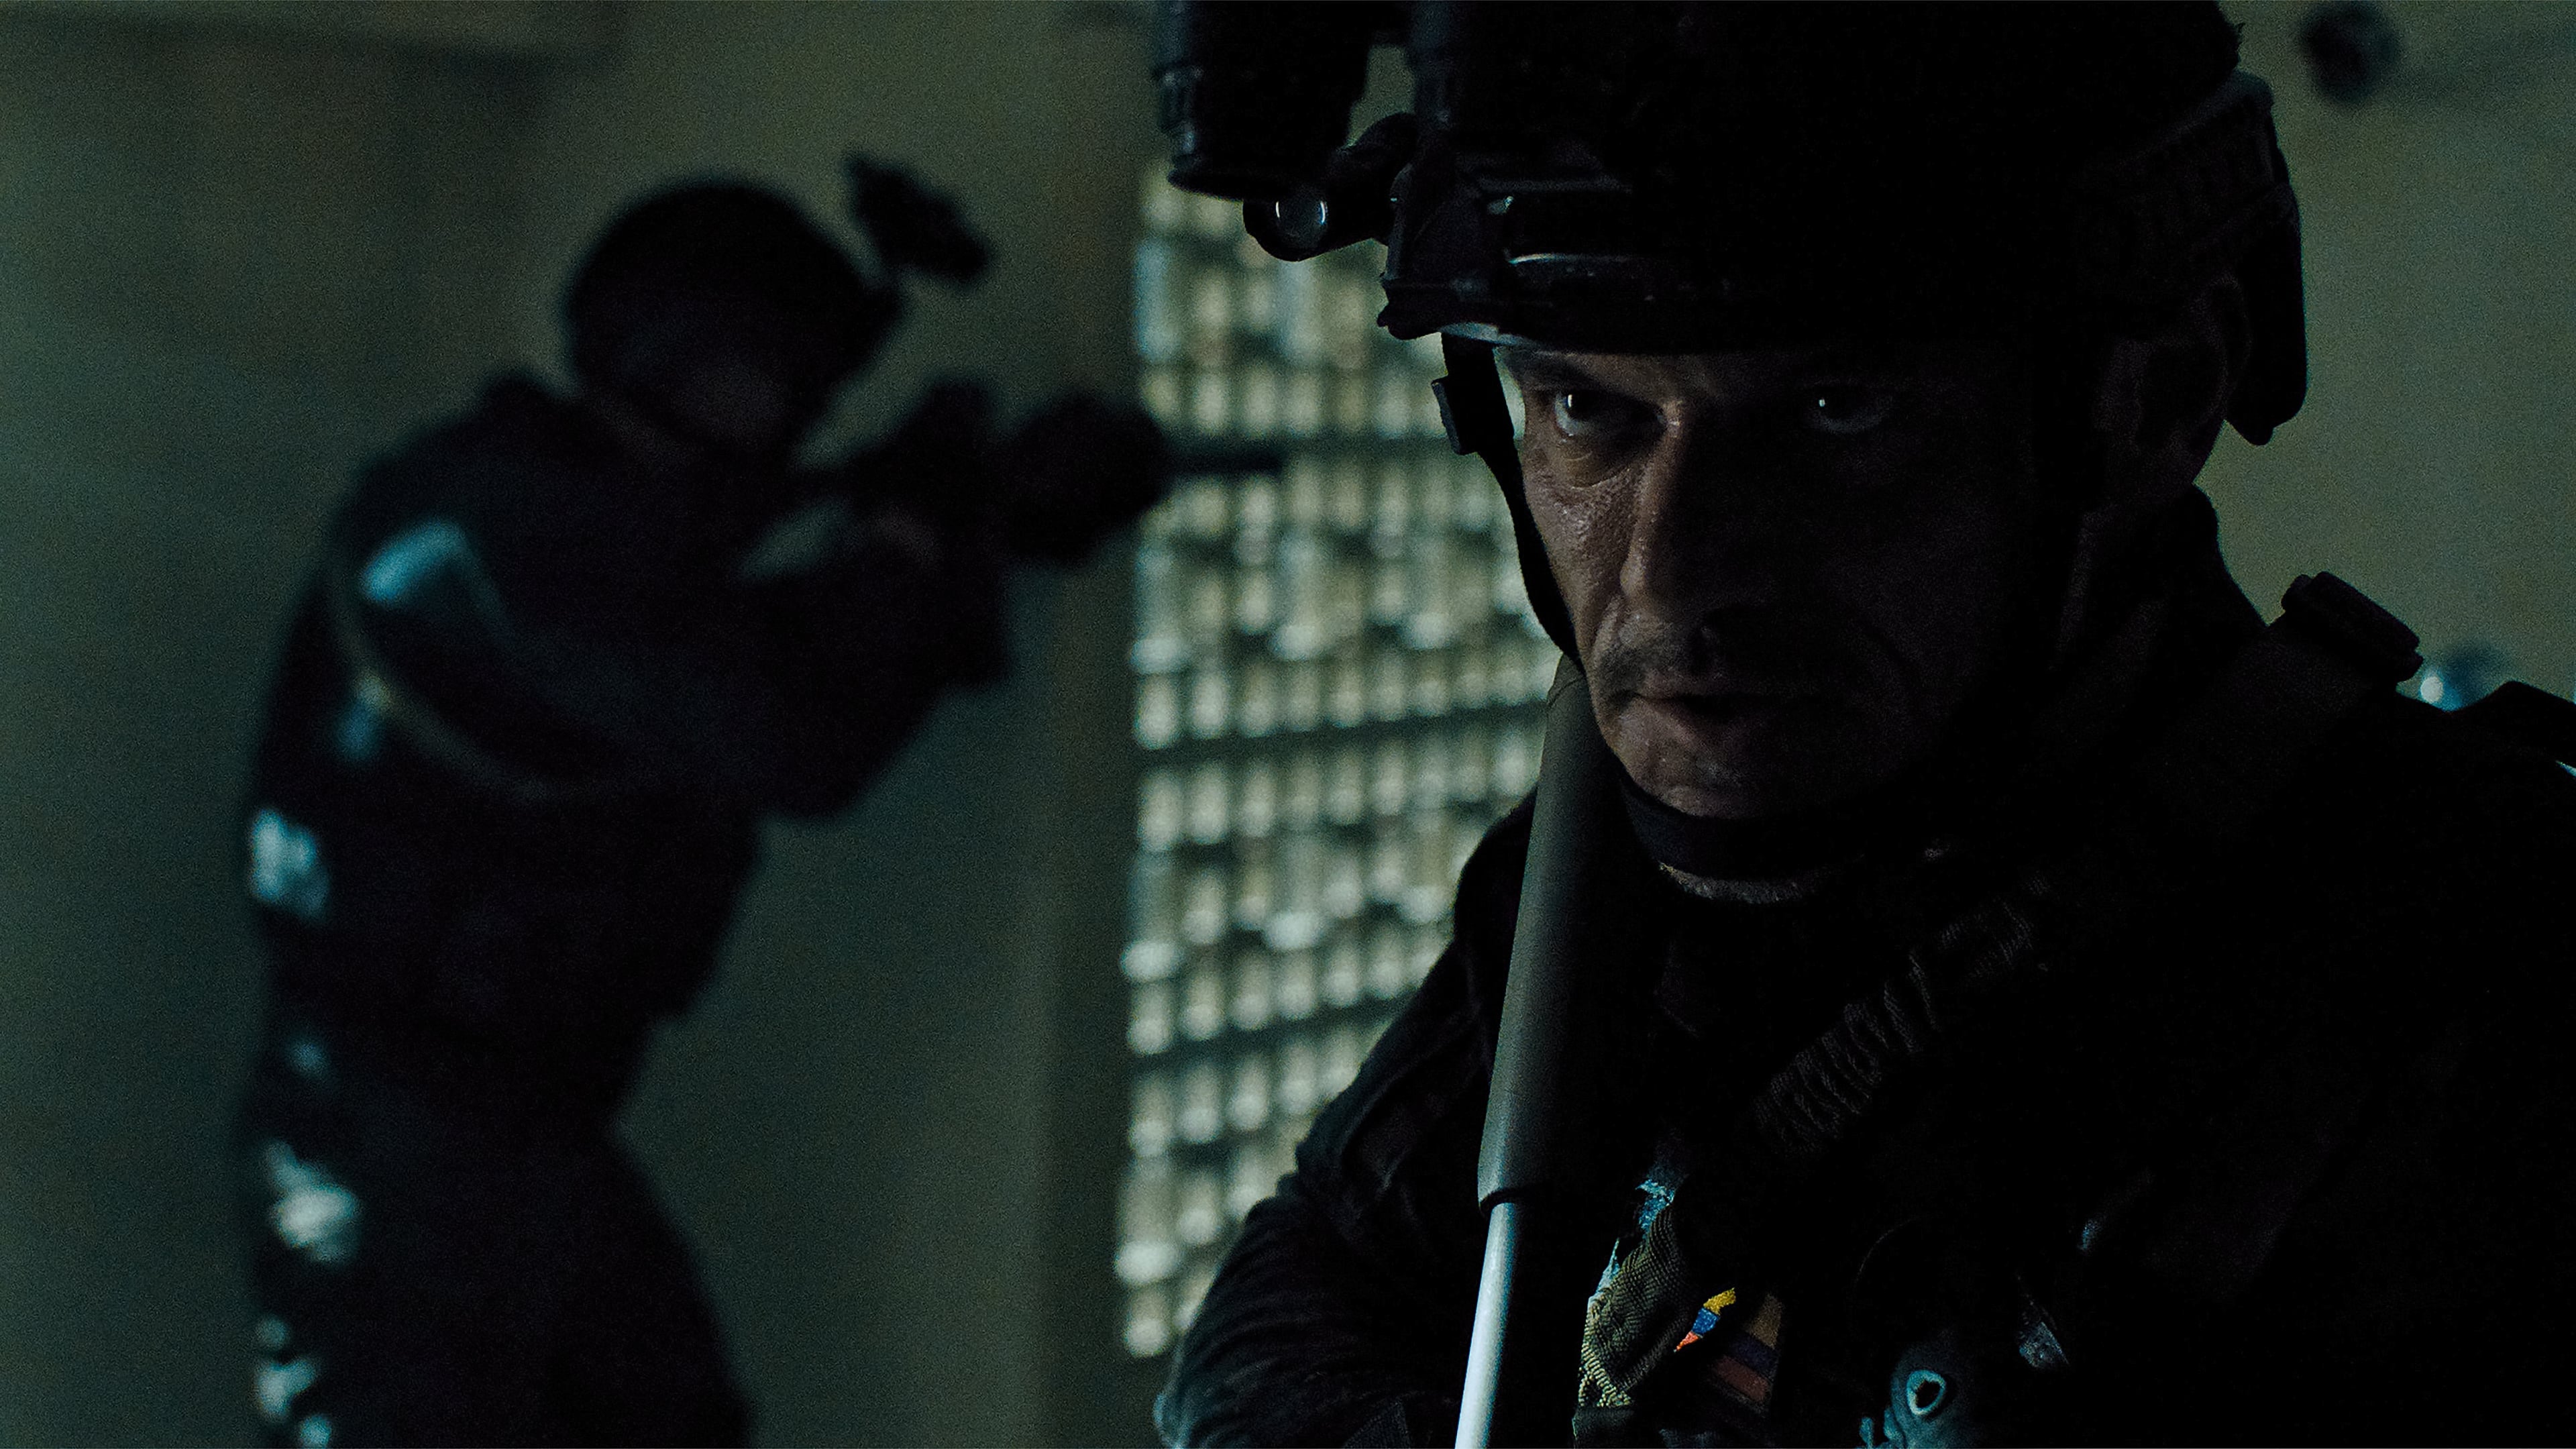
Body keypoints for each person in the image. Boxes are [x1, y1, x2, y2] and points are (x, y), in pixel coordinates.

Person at [1153, 5, 2576, 1446]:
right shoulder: (1599, 877)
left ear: (2158, 399)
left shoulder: (2492, 952)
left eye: (1837, 411)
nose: (1671, 577)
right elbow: (1293, 1308)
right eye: (1585, 408)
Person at [235, 173, 1167, 1448]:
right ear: (667, 355)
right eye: (765, 379)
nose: (790, 417)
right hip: (397, 1136)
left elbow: (753, 627)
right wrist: (912, 537)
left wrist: (969, 522)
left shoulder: (560, 510)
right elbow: (785, 723)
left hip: (509, 1127)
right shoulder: (499, 517)